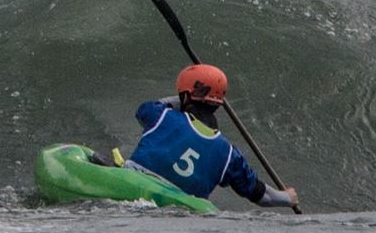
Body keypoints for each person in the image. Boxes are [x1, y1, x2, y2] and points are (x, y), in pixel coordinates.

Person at [102, 63, 298, 209]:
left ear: (185, 97)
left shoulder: (161, 115)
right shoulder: (229, 155)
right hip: (177, 207)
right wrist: (288, 198)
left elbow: (145, 109)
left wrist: (184, 97)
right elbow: (262, 195)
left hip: (133, 184)